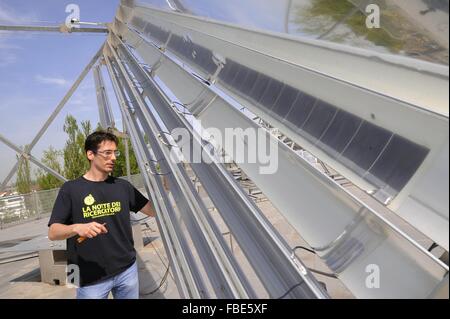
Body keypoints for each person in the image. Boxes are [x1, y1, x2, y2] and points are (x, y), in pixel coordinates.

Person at [48, 131, 156, 299]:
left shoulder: (123, 187)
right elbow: (53, 232)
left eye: (115, 152)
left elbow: (153, 211)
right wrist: (78, 228)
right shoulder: (70, 189)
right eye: (107, 153)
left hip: (127, 270)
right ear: (90, 154)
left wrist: (168, 182)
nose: (113, 158)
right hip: (90, 278)